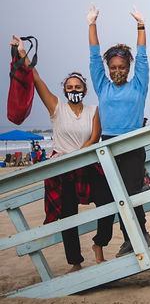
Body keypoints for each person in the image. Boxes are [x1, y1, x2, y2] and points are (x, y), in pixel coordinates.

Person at [13, 37, 106, 271]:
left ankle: (99, 245)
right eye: (70, 87)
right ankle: (75, 263)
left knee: (107, 200)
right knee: (68, 216)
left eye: (78, 87)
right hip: (62, 169)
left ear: (84, 89)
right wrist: (23, 52)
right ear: (64, 89)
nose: (74, 90)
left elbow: (94, 138)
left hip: (86, 164)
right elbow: (36, 79)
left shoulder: (94, 110)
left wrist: (79, 156)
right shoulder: (57, 108)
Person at [86, 3, 150, 257]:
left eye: (121, 67)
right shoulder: (103, 86)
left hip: (133, 145)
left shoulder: (138, 85)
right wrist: (92, 23)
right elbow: (94, 57)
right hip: (108, 146)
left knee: (131, 192)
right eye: (113, 67)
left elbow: (143, 55)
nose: (116, 71)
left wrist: (141, 24)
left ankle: (140, 234)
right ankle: (131, 238)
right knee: (116, 194)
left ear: (128, 68)